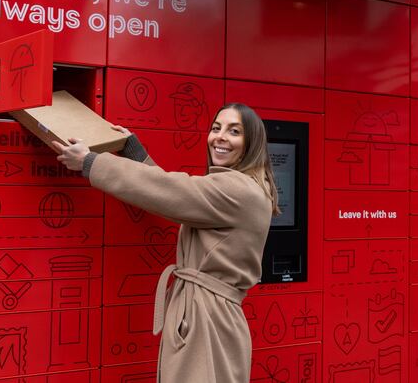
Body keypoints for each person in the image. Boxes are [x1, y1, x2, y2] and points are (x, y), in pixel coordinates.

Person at [52, 103, 278, 383]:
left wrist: (91, 162)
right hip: (212, 314)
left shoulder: (237, 190)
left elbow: (172, 191)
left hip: (208, 318)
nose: (220, 137)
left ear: (251, 143)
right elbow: (173, 197)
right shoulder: (246, 187)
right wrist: (137, 155)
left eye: (234, 131)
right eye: (216, 128)